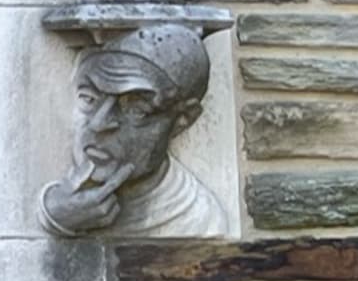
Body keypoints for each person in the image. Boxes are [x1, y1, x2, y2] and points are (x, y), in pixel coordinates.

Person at [40, 24, 226, 238]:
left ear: (183, 119)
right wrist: (52, 213)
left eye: (137, 110)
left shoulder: (201, 223)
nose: (98, 124)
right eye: (89, 99)